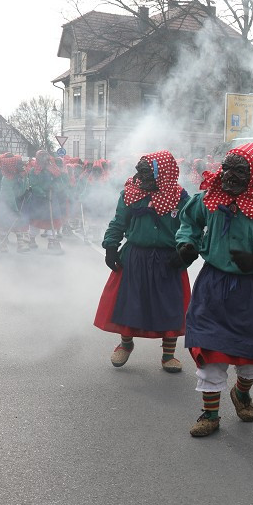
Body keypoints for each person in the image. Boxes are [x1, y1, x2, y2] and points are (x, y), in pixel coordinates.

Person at [176, 142, 253, 437]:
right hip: (213, 283)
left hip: (252, 288)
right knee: (211, 350)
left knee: (249, 355)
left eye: (239, 170)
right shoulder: (210, 197)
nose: (229, 176)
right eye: (226, 168)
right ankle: (210, 414)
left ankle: (241, 393)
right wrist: (186, 246)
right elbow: (189, 222)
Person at [93, 151, 191, 372]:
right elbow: (118, 222)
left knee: (170, 305)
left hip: (169, 259)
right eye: (139, 171)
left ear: (162, 173)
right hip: (136, 257)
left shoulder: (181, 198)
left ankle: (168, 355)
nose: (139, 176)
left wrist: (186, 249)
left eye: (145, 172)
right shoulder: (130, 193)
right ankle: (125, 344)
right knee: (130, 302)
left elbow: (190, 227)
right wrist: (110, 245)